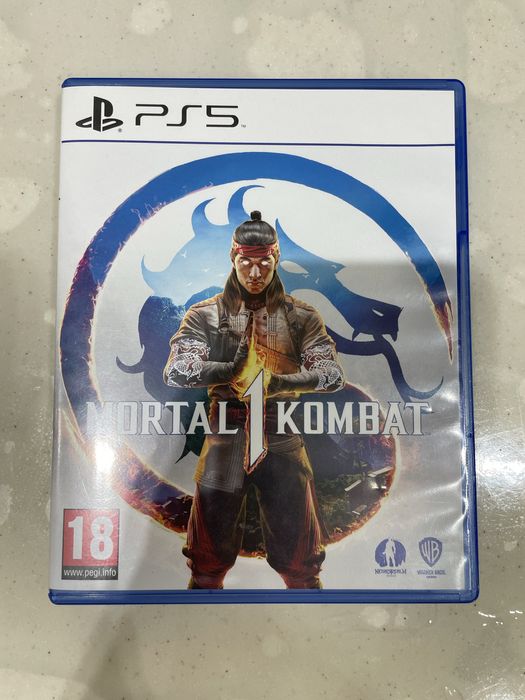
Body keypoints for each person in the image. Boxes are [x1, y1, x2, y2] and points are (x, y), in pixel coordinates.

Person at [164, 210, 345, 589]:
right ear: (234, 257)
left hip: (281, 433)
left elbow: (331, 374)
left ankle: (309, 609)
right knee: (206, 562)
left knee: (302, 562)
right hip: (226, 434)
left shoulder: (300, 317)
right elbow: (177, 371)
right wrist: (229, 369)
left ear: (276, 258)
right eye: (247, 262)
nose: (256, 272)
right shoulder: (206, 315)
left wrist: (279, 382)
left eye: (264, 262)